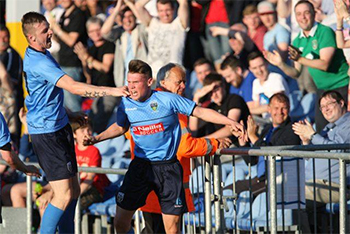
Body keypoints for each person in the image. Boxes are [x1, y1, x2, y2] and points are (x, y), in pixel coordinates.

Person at [83, 59, 246, 233]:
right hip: (140, 167)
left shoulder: (168, 99)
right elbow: (121, 126)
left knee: (172, 229)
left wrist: (229, 122)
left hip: (167, 168)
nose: (131, 87)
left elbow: (200, 111)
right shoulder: (126, 103)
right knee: (121, 222)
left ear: (149, 82)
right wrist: (97, 138)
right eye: (129, 82)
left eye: (136, 82)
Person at [21, 11, 128, 234]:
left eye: (49, 27)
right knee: (63, 194)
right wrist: (114, 90)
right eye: (44, 31)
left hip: (59, 126)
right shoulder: (39, 61)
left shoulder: (43, 53)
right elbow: (72, 86)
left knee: (75, 191)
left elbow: (46, 95)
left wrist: (69, 114)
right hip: (47, 134)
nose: (50, 31)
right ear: (32, 38)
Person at [134, 63, 232, 233]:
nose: (184, 86)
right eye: (179, 82)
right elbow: (185, 146)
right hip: (166, 187)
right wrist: (214, 144)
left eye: (185, 81)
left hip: (149, 186)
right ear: (163, 82)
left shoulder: (144, 104)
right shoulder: (171, 106)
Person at [264, 0, 349, 132]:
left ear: (314, 14)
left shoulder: (324, 32)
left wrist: (300, 59)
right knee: (322, 130)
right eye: (298, 14)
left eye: (306, 13)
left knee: (343, 129)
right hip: (322, 90)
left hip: (341, 85)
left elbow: (324, 64)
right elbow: (296, 72)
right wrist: (281, 64)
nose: (302, 17)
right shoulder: (297, 41)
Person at [292, 90, 350, 207]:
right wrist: (306, 142)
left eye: (329, 104)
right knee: (278, 184)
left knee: (293, 192)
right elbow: (310, 158)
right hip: (313, 183)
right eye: (322, 107)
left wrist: (313, 135)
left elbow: (340, 152)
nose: (326, 109)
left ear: (341, 103)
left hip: (335, 186)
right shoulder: (327, 129)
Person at [74, 16, 118, 133]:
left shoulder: (109, 45)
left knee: (98, 124)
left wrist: (87, 58)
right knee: (90, 122)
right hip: (97, 93)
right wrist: (84, 60)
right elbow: (88, 77)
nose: (95, 33)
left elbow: (105, 68)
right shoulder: (91, 49)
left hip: (111, 91)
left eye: (97, 29)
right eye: (91, 31)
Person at [0, 111, 41, 224]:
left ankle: (22, 227)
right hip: (31, 179)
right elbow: (8, 157)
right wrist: (26, 169)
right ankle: (20, 227)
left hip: (43, 182)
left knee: (14, 190)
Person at [48, 0, 88, 112]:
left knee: (73, 105)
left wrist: (57, 29)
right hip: (63, 63)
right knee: (65, 105)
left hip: (73, 64)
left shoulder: (78, 14)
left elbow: (71, 40)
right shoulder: (63, 15)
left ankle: (81, 128)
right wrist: (53, 31)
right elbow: (61, 40)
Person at [190, 73, 250, 145]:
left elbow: (230, 129)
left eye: (216, 89)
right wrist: (196, 98)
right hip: (222, 148)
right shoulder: (211, 106)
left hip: (239, 147)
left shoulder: (234, 99)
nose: (214, 94)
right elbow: (193, 127)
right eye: (210, 92)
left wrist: (203, 141)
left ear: (223, 86)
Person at [135, 0, 189, 78]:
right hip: (153, 77)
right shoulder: (152, 23)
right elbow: (138, 5)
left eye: (168, 10)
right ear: (157, 11)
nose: (165, 14)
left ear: (173, 9)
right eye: (161, 10)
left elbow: (184, 2)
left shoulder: (179, 24)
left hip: (173, 78)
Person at [101, 0, 148, 88]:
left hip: (141, 82)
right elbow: (104, 32)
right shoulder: (120, 32)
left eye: (130, 16)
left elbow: (145, 23)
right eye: (124, 17)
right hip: (123, 83)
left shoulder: (141, 30)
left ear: (135, 18)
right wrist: (118, 8)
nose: (128, 20)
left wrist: (130, 3)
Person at [0, 25, 24, 143]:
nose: (3, 41)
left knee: (9, 139)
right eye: (0, 37)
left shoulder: (12, 55)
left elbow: (8, 82)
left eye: (6, 37)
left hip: (10, 105)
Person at [248, 51, 289, 117]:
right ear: (250, 69)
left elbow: (277, 105)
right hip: (265, 121)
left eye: (261, 66)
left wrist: (248, 110)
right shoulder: (255, 83)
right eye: (254, 68)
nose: (259, 71)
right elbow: (256, 106)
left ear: (267, 63)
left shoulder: (276, 78)